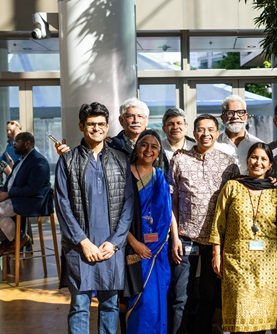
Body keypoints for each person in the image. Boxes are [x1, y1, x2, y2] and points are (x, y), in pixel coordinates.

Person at [55, 102, 135, 333]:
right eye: (91, 124)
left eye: (101, 124)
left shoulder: (121, 159)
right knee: (79, 306)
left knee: (110, 305)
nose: (96, 128)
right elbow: (62, 204)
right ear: (81, 126)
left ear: (108, 126)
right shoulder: (68, 161)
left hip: (110, 247)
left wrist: (115, 242)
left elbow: (128, 205)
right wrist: (84, 242)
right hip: (79, 247)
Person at [168, 114, 240, 334]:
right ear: (194, 133)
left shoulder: (229, 164)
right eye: (201, 129)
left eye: (210, 129)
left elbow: (234, 204)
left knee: (208, 296)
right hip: (185, 239)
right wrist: (175, 238)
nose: (205, 134)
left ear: (217, 133)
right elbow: (172, 202)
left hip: (215, 241)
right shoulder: (179, 160)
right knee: (181, 295)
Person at [210, 142, 277, 333]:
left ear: (270, 165)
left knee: (262, 320)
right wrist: (216, 254)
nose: (258, 162)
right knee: (239, 317)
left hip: (267, 266)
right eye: (254, 157)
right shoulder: (232, 187)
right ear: (247, 160)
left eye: (263, 159)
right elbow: (218, 223)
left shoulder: (276, 191)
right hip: (237, 262)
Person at [125, 130, 172, 334]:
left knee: (157, 299)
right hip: (131, 246)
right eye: (144, 145)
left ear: (159, 152)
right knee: (139, 299)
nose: (149, 150)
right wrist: (135, 243)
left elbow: (166, 214)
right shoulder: (124, 174)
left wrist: (158, 244)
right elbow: (115, 215)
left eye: (154, 147)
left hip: (158, 248)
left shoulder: (159, 176)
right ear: (136, 148)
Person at [0, 132, 51, 255]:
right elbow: (10, 182)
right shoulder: (20, 161)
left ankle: (19, 239)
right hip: (16, 198)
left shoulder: (39, 161)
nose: (13, 145)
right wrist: (3, 192)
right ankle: (7, 242)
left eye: (16, 142)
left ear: (27, 144)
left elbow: (33, 189)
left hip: (31, 201)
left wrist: (8, 194)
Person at [216, 95, 262, 174]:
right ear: (222, 117)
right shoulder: (214, 145)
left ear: (246, 116)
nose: (235, 116)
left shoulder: (258, 145)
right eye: (230, 113)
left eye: (240, 112)